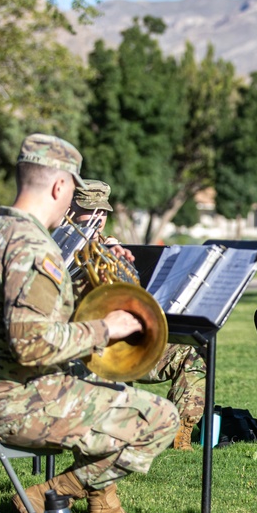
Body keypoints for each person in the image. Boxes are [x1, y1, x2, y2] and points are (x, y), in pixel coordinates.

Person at [0, 134, 179, 513]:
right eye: (72, 189)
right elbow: (32, 346)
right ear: (60, 186)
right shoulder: (33, 247)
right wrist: (106, 327)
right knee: (159, 417)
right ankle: (49, 495)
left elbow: (23, 312)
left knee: (96, 384)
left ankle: (105, 510)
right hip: (7, 403)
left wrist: (91, 289)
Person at [64, 179, 207, 452]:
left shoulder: (110, 247)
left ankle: (181, 432)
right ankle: (113, 431)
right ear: (69, 211)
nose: (97, 219)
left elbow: (138, 295)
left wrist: (124, 265)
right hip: (84, 343)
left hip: (124, 340)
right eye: (89, 211)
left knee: (193, 351)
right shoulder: (59, 248)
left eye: (103, 213)